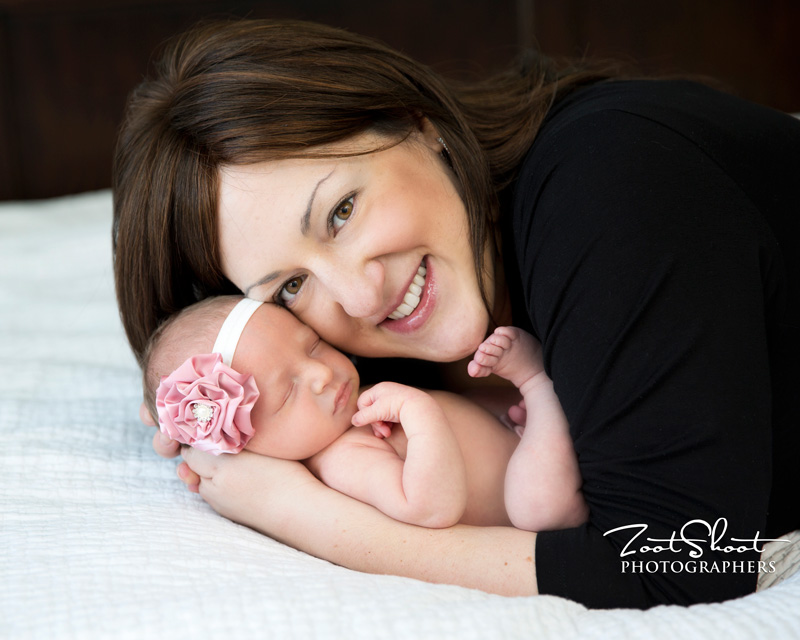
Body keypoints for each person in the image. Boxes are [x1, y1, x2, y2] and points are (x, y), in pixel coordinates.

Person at [112, 18, 800, 608]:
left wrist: (310, 520)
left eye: (342, 213)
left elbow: (687, 560)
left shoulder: (614, 191)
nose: (358, 297)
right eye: (290, 287)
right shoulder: (353, 370)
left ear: (422, 125)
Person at [143, 295, 588, 531]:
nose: (319, 373)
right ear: (242, 445)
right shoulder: (340, 458)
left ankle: (546, 414)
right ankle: (538, 383)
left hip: (515, 441)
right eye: (286, 392)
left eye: (311, 344)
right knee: (538, 508)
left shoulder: (347, 407)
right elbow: (430, 507)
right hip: (528, 501)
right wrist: (419, 412)